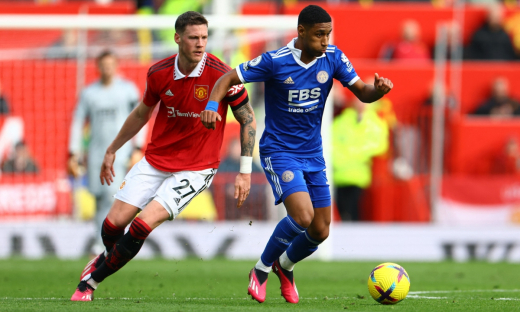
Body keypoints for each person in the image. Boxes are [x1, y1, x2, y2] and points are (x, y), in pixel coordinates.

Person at [201, 5, 393, 304]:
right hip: (279, 150)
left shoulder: (333, 57)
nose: (326, 41)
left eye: (328, 34)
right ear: (301, 32)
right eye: (319, 35)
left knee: (321, 229)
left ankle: (285, 266)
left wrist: (377, 91)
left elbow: (362, 92)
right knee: (302, 216)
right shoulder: (274, 61)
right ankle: (261, 269)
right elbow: (226, 78)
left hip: (312, 153)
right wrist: (212, 106)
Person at [70, 11, 255, 301]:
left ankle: (90, 283)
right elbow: (142, 113)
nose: (200, 44)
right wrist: (112, 148)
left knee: (142, 224)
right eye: (193, 37)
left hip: (196, 167)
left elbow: (247, 119)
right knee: (112, 225)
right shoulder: (158, 73)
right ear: (177, 38)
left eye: (204, 37)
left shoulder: (223, 74)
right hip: (156, 160)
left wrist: (245, 170)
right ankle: (106, 257)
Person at [68, 50, 144, 253]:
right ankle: (99, 241)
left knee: (115, 196)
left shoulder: (128, 90)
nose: (107, 68)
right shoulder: (89, 93)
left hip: (122, 152)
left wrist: (138, 147)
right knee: (99, 197)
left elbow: (141, 117)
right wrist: (74, 151)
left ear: (116, 65)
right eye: (104, 65)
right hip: (96, 153)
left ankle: (116, 241)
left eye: (111, 64)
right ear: (98, 67)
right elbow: (77, 122)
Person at [332, 98, 389, 221]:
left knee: (355, 209)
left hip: (358, 175)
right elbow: (331, 143)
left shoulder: (375, 123)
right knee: (343, 210)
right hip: (340, 174)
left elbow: (380, 145)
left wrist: (351, 153)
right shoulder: (342, 121)